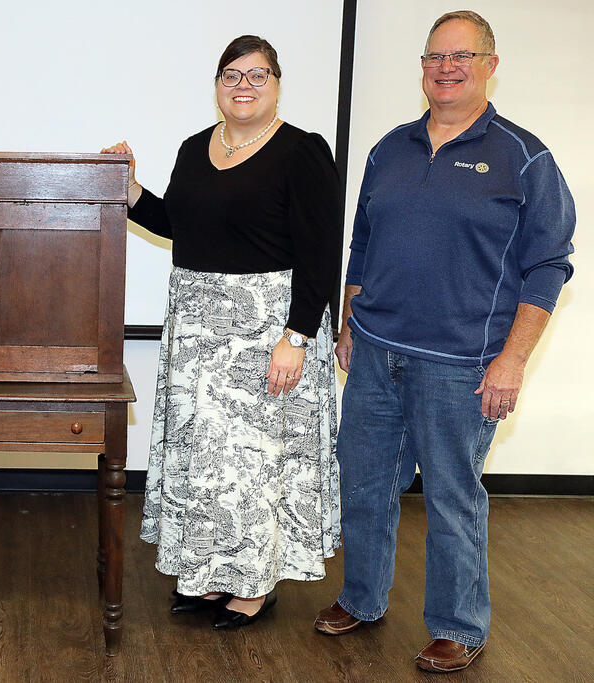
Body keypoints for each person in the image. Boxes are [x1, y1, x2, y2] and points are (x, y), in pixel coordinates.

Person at [313, 11, 575, 673]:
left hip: (462, 365)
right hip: (374, 352)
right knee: (365, 484)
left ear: (491, 64)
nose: (447, 68)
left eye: (462, 56)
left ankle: (458, 625)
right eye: (435, 57)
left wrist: (512, 358)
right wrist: (349, 316)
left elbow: (549, 265)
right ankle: (362, 596)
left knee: (452, 495)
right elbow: (362, 241)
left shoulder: (525, 157)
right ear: (423, 67)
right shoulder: (389, 149)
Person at [102, 34, 343, 630]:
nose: (243, 85)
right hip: (197, 329)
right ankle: (209, 576)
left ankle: (255, 584)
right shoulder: (192, 148)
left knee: (257, 463)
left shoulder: (302, 151)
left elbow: (320, 252)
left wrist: (298, 336)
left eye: (257, 75)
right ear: (216, 85)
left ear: (277, 84)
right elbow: (176, 223)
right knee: (204, 460)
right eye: (231, 74)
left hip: (269, 331)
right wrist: (131, 191)